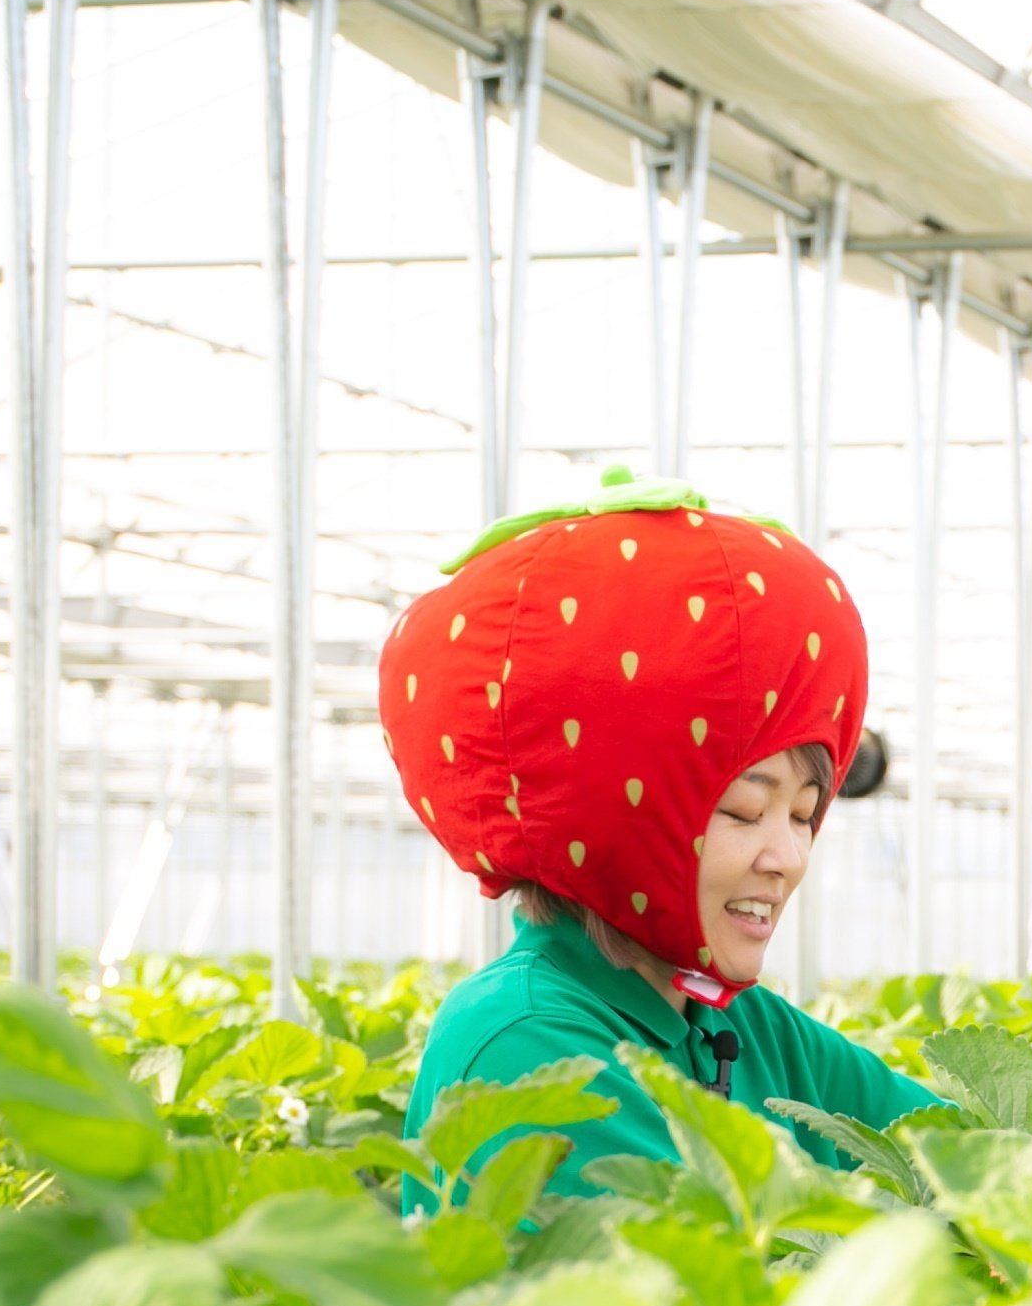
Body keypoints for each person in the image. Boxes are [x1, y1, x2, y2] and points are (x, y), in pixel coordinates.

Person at [376, 472, 944, 1196]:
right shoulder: (523, 1041)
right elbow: (715, 1283)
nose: (788, 858)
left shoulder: (731, 1023)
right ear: (618, 816)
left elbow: (963, 1150)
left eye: (803, 815)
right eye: (744, 812)